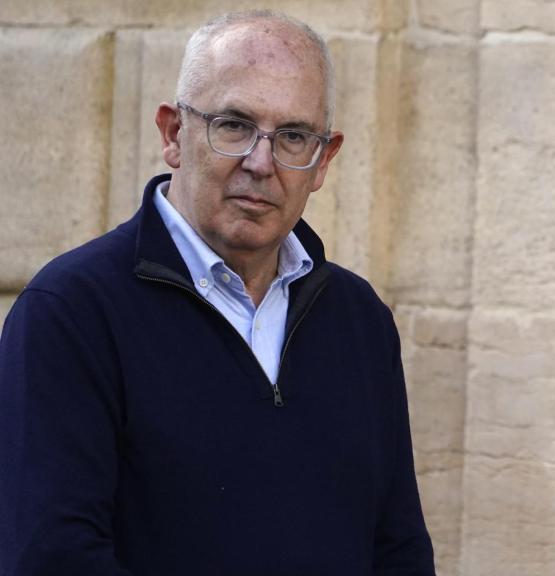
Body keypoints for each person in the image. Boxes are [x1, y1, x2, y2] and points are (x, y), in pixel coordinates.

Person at [0, 11, 434, 575]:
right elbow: (51, 558)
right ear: (174, 134)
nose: (261, 163)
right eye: (234, 124)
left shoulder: (359, 320)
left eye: (294, 137)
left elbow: (397, 549)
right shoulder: (72, 311)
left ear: (323, 161)